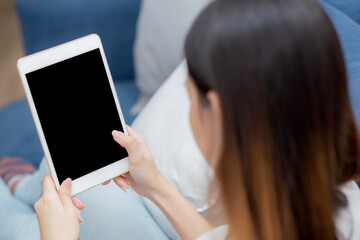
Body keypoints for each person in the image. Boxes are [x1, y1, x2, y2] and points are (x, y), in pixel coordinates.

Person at [27, 0, 360, 239]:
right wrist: (155, 184)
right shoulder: (338, 209)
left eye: (189, 95)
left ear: (214, 113)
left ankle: (17, 182)